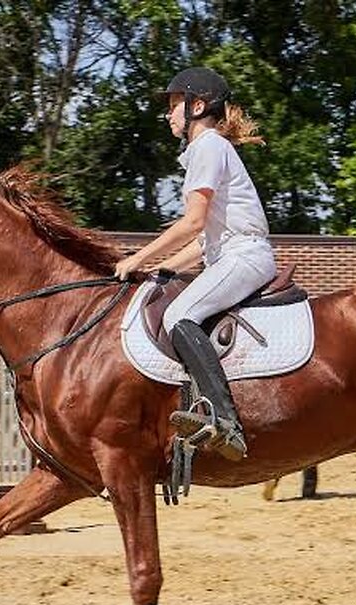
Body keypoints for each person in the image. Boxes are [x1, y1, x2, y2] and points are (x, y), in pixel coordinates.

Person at [114, 66, 276, 461]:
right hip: (230, 254)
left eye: (174, 106)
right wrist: (161, 269)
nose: (168, 115)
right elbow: (203, 245)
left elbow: (192, 223)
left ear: (197, 106)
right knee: (174, 300)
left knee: (178, 316)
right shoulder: (207, 150)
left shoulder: (207, 146)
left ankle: (225, 419)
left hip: (244, 255)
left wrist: (136, 257)